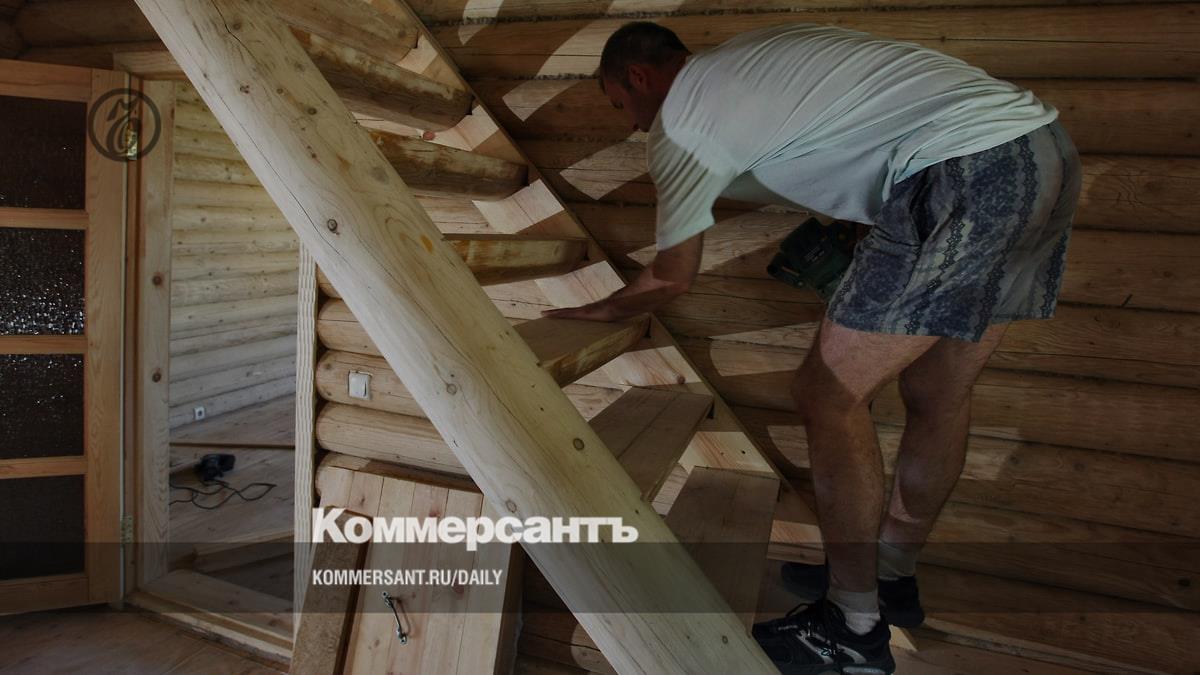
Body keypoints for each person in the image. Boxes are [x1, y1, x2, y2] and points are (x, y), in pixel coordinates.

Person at [543, 21, 1080, 674]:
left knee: (827, 394)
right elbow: (859, 129)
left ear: (639, 75)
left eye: (620, 103)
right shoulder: (749, 65)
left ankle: (852, 627)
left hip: (960, 170)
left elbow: (671, 277)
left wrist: (594, 310)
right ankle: (891, 577)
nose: (630, 124)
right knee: (939, 390)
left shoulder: (682, 119)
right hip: (1040, 153)